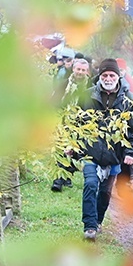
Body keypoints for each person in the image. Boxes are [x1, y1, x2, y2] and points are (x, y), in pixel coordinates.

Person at [76, 58, 133, 241]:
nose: (108, 78)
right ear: (100, 76)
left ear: (118, 76)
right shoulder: (87, 96)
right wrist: (73, 146)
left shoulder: (129, 98)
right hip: (92, 151)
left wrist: (131, 153)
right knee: (90, 184)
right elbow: (76, 124)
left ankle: (97, 220)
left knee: (105, 192)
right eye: (104, 75)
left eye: (111, 75)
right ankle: (89, 226)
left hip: (114, 154)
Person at [51, 57, 93, 193]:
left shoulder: (90, 87)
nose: (80, 72)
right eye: (78, 69)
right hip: (63, 121)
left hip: (81, 124)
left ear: (87, 72)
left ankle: (68, 175)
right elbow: (54, 100)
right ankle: (58, 181)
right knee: (61, 149)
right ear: (73, 69)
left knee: (75, 151)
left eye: (83, 70)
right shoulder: (64, 84)